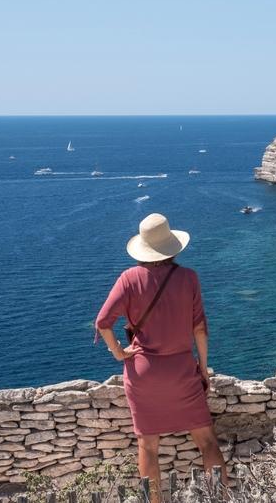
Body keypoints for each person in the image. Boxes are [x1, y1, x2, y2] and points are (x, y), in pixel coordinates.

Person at [95, 213, 226, 498]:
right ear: (171, 245)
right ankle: (220, 498)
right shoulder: (189, 277)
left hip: (143, 374)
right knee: (207, 442)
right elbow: (200, 329)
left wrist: (119, 352)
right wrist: (202, 369)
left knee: (148, 447)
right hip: (181, 371)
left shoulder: (129, 279)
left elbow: (103, 322)